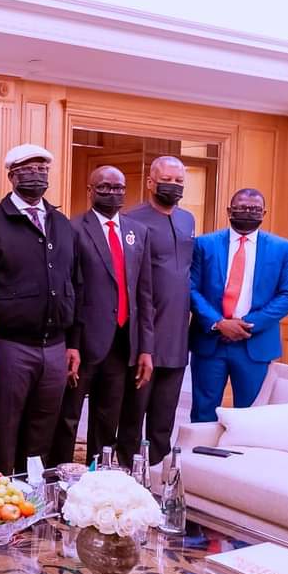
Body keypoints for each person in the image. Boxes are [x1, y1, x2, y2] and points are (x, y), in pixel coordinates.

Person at [0, 144, 79, 477]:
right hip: (9, 346)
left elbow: (74, 284)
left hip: (55, 347)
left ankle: (32, 498)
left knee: (42, 432)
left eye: (42, 169)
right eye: (27, 169)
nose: (36, 175)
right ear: (11, 176)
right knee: (4, 430)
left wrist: (73, 343)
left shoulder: (62, 224)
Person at [51, 166, 154, 467]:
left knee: (107, 419)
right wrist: (71, 343)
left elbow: (144, 293)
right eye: (105, 187)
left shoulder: (138, 232)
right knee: (68, 417)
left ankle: (98, 479)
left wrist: (145, 347)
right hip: (83, 342)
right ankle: (60, 477)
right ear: (90, 191)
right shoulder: (73, 228)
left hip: (122, 342)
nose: (112, 193)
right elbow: (69, 289)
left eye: (118, 188)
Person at [189, 188, 288, 422]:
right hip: (210, 343)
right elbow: (191, 288)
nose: (248, 212)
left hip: (255, 344)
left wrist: (246, 324)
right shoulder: (204, 244)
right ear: (229, 211)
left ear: (264, 213)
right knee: (203, 414)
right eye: (241, 208)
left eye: (254, 209)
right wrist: (219, 323)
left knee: (250, 418)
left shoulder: (282, 248)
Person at [118, 157, 195, 466]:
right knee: (133, 414)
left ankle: (159, 475)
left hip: (177, 335)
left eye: (179, 181)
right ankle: (126, 473)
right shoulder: (131, 220)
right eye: (167, 179)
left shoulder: (188, 220)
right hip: (142, 336)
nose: (173, 186)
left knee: (164, 417)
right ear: (150, 182)